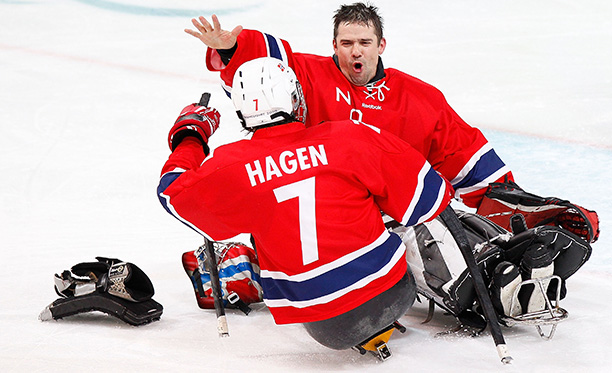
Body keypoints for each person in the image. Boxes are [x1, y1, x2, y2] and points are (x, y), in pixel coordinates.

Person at [158, 57, 453, 350]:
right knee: (400, 221)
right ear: (295, 98)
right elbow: (431, 199)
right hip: (393, 293)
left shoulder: (229, 166)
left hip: (326, 326)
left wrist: (191, 137)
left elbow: (171, 192)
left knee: (264, 219)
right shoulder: (349, 135)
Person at [186, 3, 512, 209]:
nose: (356, 52)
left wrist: (511, 204)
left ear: (381, 45)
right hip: (326, 213)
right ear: (335, 45)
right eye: (347, 43)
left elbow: (463, 154)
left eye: (365, 43)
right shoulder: (307, 75)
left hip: (402, 216)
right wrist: (232, 50)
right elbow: (263, 74)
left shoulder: (419, 96)